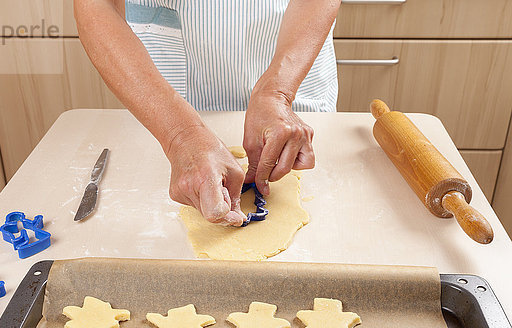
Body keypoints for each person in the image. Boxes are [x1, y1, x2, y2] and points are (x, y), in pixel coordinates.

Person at [74, 0, 341, 226]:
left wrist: (278, 91)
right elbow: (96, 5)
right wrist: (179, 134)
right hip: (160, 101)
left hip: (292, 61)